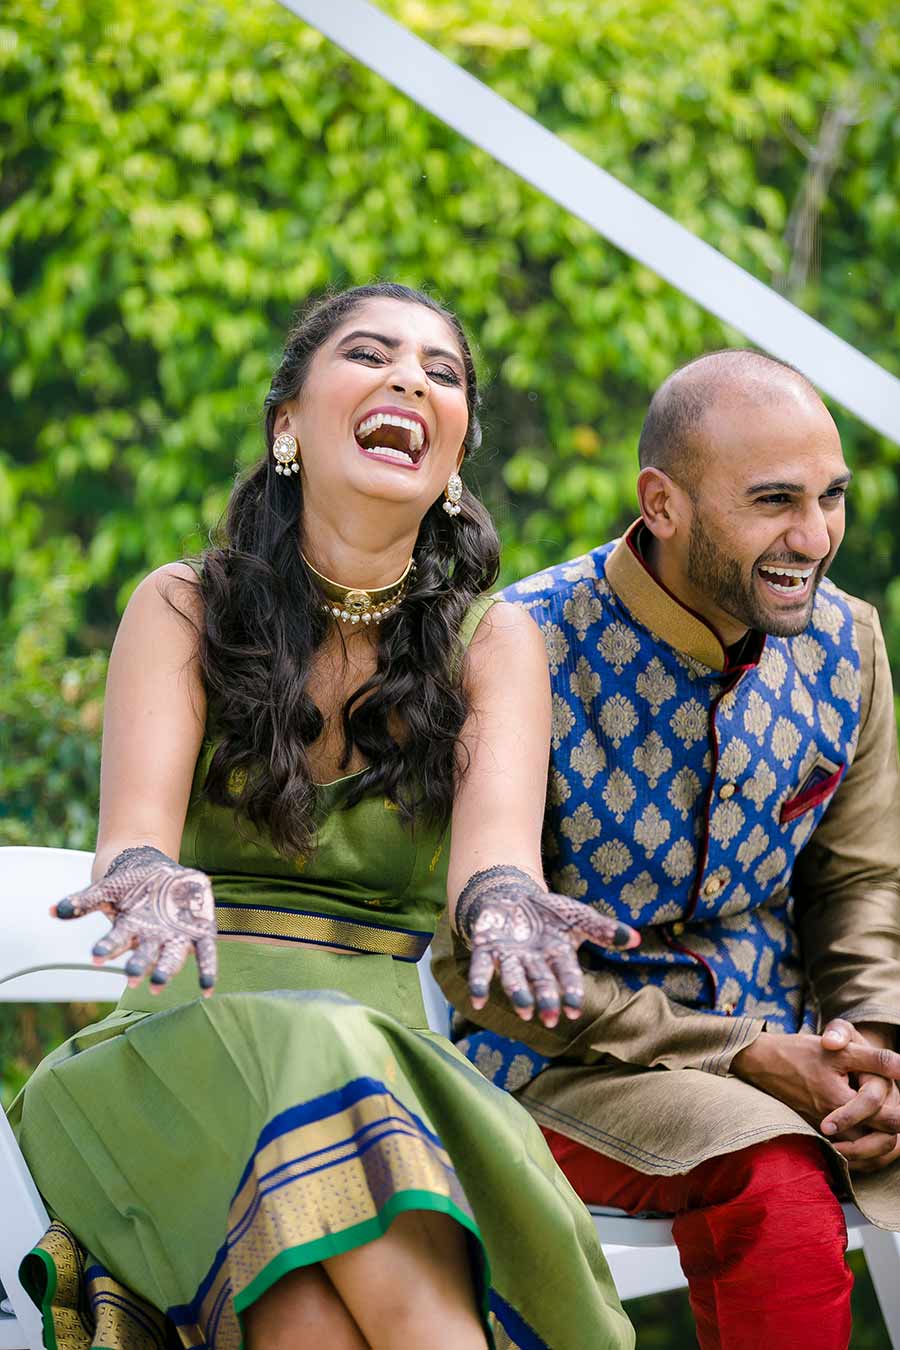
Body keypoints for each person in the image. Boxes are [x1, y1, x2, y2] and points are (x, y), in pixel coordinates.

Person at [9, 284, 637, 1350]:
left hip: (385, 1076)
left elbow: (495, 856)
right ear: (287, 423)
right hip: (174, 1064)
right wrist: (147, 873)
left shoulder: (498, 645)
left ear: (455, 456)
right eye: (370, 355)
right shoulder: (182, 604)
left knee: (302, 1305)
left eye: (442, 374)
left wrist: (505, 902)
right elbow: (135, 836)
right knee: (317, 1135)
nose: (409, 380)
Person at [433, 349, 900, 1350]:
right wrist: (743, 1054)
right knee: (775, 1170)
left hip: (796, 1050)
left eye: (831, 498)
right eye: (774, 501)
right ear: (662, 503)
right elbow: (477, 964)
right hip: (564, 1060)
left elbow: (857, 885)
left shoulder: (849, 644)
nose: (813, 537)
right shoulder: (525, 647)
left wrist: (870, 1041)